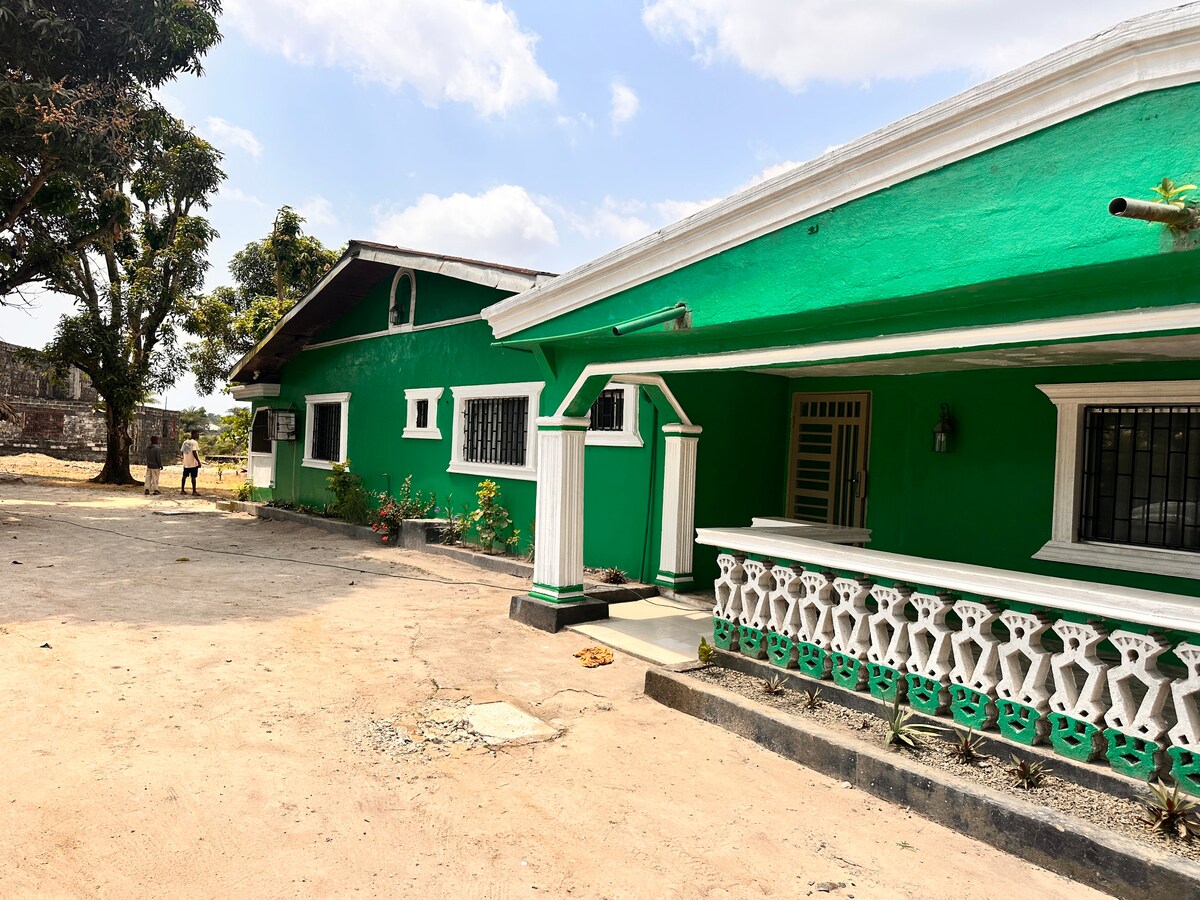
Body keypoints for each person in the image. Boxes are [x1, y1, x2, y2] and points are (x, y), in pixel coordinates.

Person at [180, 429, 202, 495]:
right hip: (193, 463)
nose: (198, 436)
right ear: (194, 434)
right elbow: (194, 452)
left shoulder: (185, 442)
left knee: (184, 476)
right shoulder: (194, 442)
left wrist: (184, 458)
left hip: (186, 463)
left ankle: (182, 490)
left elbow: (182, 452)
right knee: (193, 477)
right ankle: (194, 491)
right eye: (197, 434)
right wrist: (198, 461)